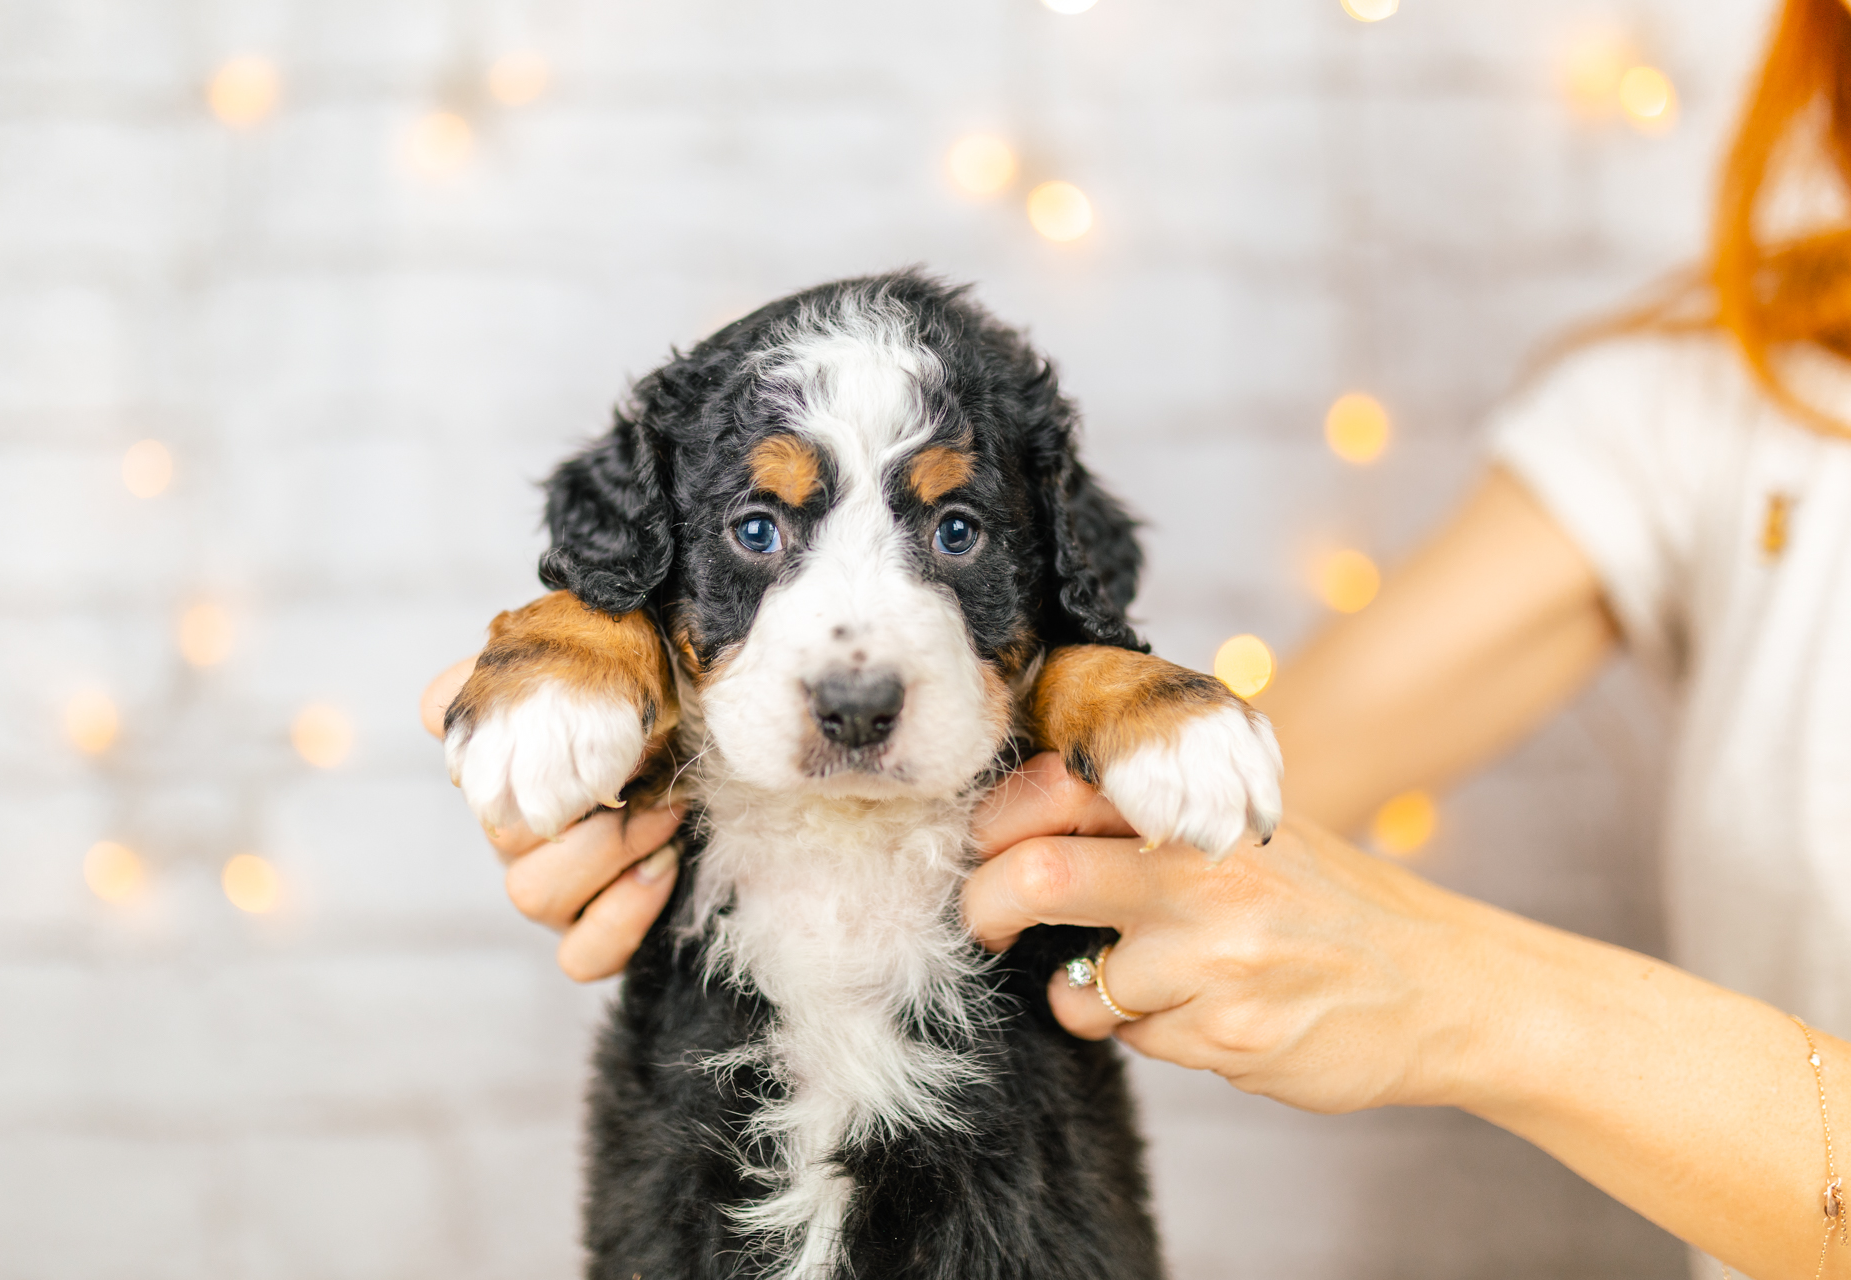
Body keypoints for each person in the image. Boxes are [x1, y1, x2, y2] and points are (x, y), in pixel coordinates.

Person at [421, 0, 1851, 1274]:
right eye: (757, 529)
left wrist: (1468, 992)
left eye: (958, 530)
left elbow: (1071, 634)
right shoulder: (1724, 402)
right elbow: (1228, 790)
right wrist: (597, 665)